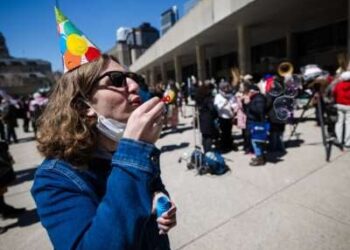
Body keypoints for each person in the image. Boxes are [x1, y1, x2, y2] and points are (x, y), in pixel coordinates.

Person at [31, 7, 176, 250]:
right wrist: (132, 153)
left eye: (131, 77)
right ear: (83, 104)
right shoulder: (54, 178)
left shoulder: (131, 147)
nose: (133, 85)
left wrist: (158, 197)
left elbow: (151, 187)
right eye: (117, 81)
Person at [214, 81, 237, 152]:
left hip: (230, 116)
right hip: (222, 116)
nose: (226, 89)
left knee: (229, 131)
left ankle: (230, 145)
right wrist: (224, 103)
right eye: (225, 87)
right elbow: (217, 107)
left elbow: (234, 103)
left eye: (227, 87)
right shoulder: (218, 96)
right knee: (224, 132)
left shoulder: (230, 95)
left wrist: (234, 107)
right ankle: (224, 146)